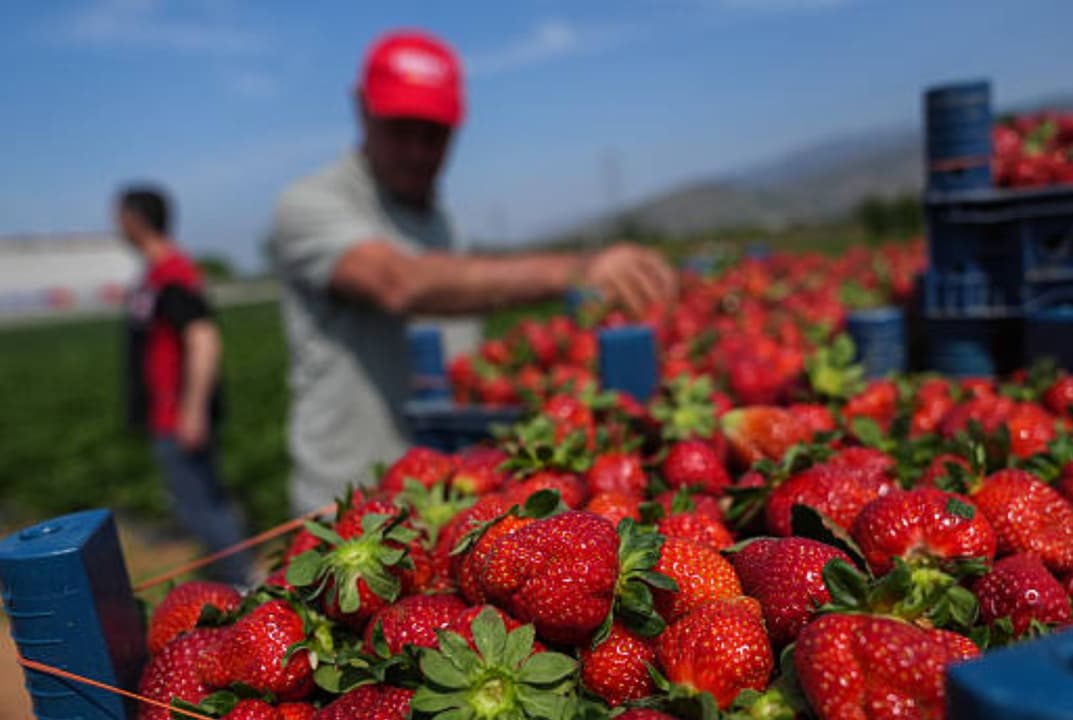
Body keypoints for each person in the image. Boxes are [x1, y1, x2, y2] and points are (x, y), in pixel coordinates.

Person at [267, 30, 678, 514]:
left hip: (453, 492)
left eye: (434, 134)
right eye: (400, 128)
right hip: (349, 502)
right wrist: (578, 270)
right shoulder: (310, 205)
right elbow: (398, 282)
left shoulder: (443, 223)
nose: (418, 151)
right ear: (361, 108)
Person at [118, 186, 252, 585]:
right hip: (168, 413)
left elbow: (203, 338)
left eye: (120, 216)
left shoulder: (172, 274)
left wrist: (192, 411)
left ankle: (242, 586)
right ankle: (233, 580)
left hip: (176, 413)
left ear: (135, 220)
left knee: (203, 505)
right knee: (199, 501)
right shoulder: (156, 275)